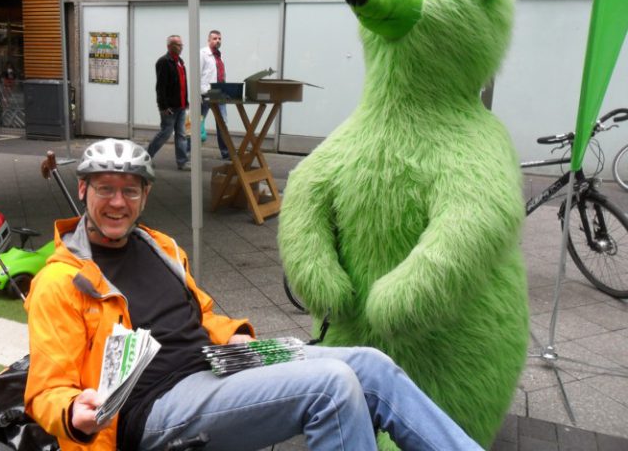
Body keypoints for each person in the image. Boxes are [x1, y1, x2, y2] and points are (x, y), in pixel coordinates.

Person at [24, 138, 483, 451]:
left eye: (129, 190)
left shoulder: (158, 245)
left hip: (214, 363)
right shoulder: (60, 281)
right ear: (83, 190)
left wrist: (234, 337)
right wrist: (71, 411)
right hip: (151, 408)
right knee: (332, 386)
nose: (117, 203)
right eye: (105, 189)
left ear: (144, 196)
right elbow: (45, 389)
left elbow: (197, 315)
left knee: (372, 365)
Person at [147, 35, 189, 170]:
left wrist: (186, 101)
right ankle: (145, 157)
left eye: (181, 44)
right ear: (169, 46)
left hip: (181, 105)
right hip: (170, 107)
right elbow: (161, 86)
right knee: (165, 133)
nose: (181, 47)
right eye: (178, 45)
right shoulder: (164, 62)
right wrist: (163, 106)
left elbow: (183, 84)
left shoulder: (180, 62)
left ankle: (182, 162)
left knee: (181, 134)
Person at [187, 30, 229, 160]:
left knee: (223, 124)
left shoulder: (219, 55)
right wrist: (197, 95)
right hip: (205, 95)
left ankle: (226, 153)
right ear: (209, 40)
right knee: (194, 123)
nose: (218, 41)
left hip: (219, 94)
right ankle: (188, 152)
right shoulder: (202, 54)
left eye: (219, 38)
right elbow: (196, 74)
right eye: (215, 38)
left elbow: (221, 75)